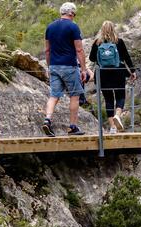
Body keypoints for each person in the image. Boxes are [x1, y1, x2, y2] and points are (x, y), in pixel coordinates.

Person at [42, 2, 90, 137]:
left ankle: (47, 119)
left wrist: (49, 66)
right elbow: (79, 49)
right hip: (69, 66)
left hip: (54, 66)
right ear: (71, 13)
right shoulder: (73, 27)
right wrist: (84, 70)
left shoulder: (50, 27)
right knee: (74, 96)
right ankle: (73, 127)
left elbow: (47, 50)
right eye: (74, 14)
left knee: (54, 96)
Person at [88, 21, 135, 134]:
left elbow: (91, 58)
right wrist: (132, 71)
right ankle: (118, 115)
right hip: (118, 73)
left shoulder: (97, 43)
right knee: (120, 96)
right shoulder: (119, 42)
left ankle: (112, 128)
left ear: (102, 30)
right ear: (113, 29)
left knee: (108, 99)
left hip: (103, 74)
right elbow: (126, 58)